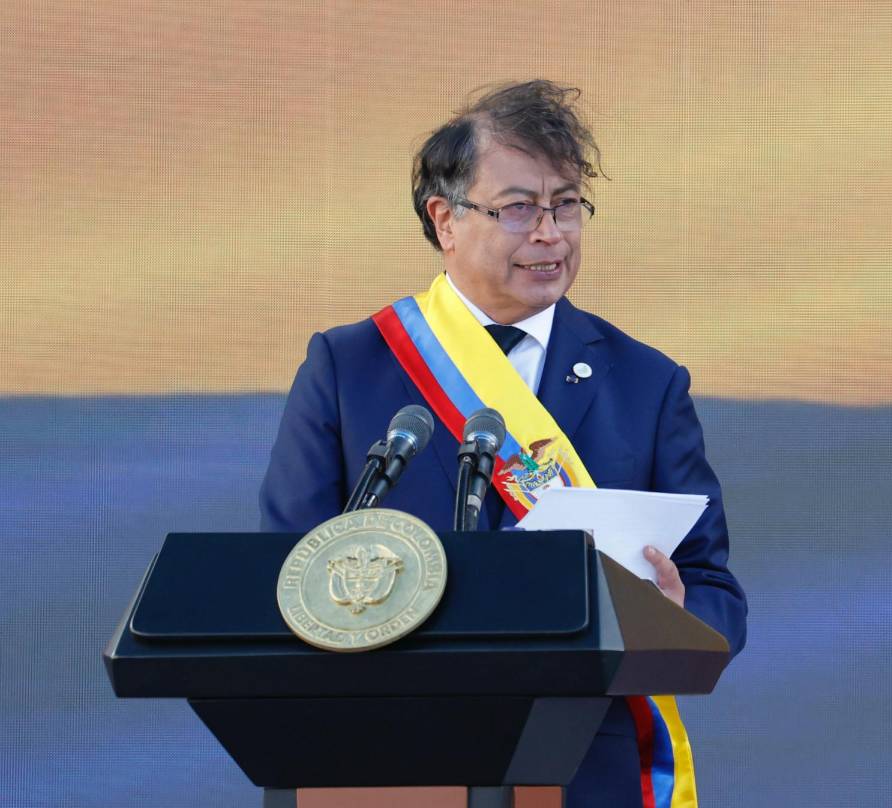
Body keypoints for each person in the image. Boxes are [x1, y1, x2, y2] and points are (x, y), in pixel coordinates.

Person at [260, 79, 747, 808]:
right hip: (391, 759)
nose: (551, 233)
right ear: (445, 220)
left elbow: (715, 595)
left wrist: (676, 617)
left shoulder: (645, 384)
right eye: (520, 208)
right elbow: (286, 570)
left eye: (568, 205)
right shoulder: (350, 367)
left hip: (589, 771)